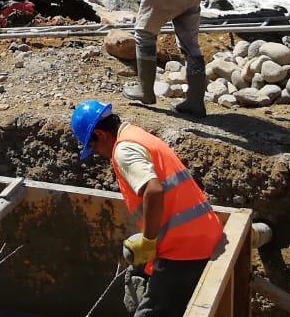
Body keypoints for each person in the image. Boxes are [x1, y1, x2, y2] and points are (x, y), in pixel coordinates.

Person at [71, 101, 221, 317]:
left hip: (184, 248)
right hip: (203, 235)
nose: (97, 153)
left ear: (100, 134)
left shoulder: (123, 150)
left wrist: (148, 240)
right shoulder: (136, 134)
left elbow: (153, 190)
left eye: (93, 147)